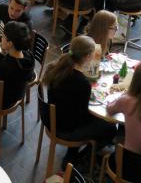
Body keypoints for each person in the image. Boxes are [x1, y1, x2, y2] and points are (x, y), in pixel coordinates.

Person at [43, 36, 116, 167]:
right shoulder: (82, 82)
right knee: (110, 127)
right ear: (87, 56)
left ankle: (72, 153)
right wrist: (100, 112)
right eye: (93, 53)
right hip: (67, 128)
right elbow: (82, 117)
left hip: (53, 120)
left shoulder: (57, 68)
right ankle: (82, 157)